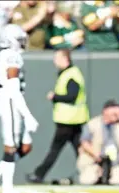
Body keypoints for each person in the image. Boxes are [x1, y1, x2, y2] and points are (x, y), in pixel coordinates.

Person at [0, 24, 39, 193]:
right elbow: (13, 88)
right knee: (11, 146)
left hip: (12, 100)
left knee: (25, 146)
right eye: (20, 39)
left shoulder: (9, 55)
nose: (22, 43)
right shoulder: (11, 56)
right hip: (10, 101)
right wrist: (28, 115)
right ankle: (7, 189)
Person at [26, 49, 89, 184]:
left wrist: (55, 97)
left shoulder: (71, 75)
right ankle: (92, 171)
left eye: (57, 58)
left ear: (65, 59)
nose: (55, 62)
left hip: (68, 120)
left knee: (56, 149)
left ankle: (39, 174)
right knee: (80, 149)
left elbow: (72, 96)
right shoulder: (68, 74)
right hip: (73, 118)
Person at [77, 100, 119, 185]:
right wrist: (95, 154)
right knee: (88, 180)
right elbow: (84, 142)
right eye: (114, 113)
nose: (116, 116)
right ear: (105, 111)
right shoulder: (93, 123)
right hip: (94, 160)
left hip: (116, 162)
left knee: (117, 180)